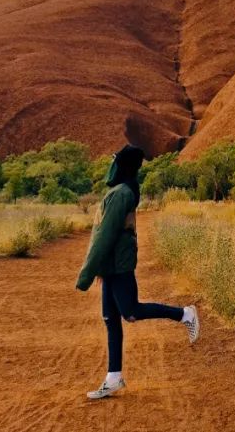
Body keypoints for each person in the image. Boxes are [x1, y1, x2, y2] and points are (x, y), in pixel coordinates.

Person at [76, 144, 199, 399]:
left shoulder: (121, 194)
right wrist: (101, 268)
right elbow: (106, 234)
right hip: (112, 267)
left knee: (130, 312)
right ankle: (113, 378)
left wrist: (86, 274)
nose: (112, 166)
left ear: (122, 165)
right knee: (111, 320)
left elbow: (104, 236)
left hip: (119, 266)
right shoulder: (121, 191)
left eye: (115, 161)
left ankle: (185, 314)